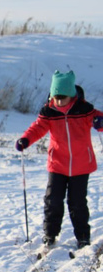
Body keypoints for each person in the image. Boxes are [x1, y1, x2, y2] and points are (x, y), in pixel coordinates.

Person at [16, 70, 103, 250]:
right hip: (57, 164)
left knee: (77, 203)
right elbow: (37, 128)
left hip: (81, 165)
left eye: (63, 97)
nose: (59, 101)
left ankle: (83, 237)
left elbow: (100, 120)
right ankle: (50, 234)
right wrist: (25, 139)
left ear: (71, 95)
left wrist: (99, 122)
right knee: (52, 200)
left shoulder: (85, 110)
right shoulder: (49, 112)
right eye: (56, 97)